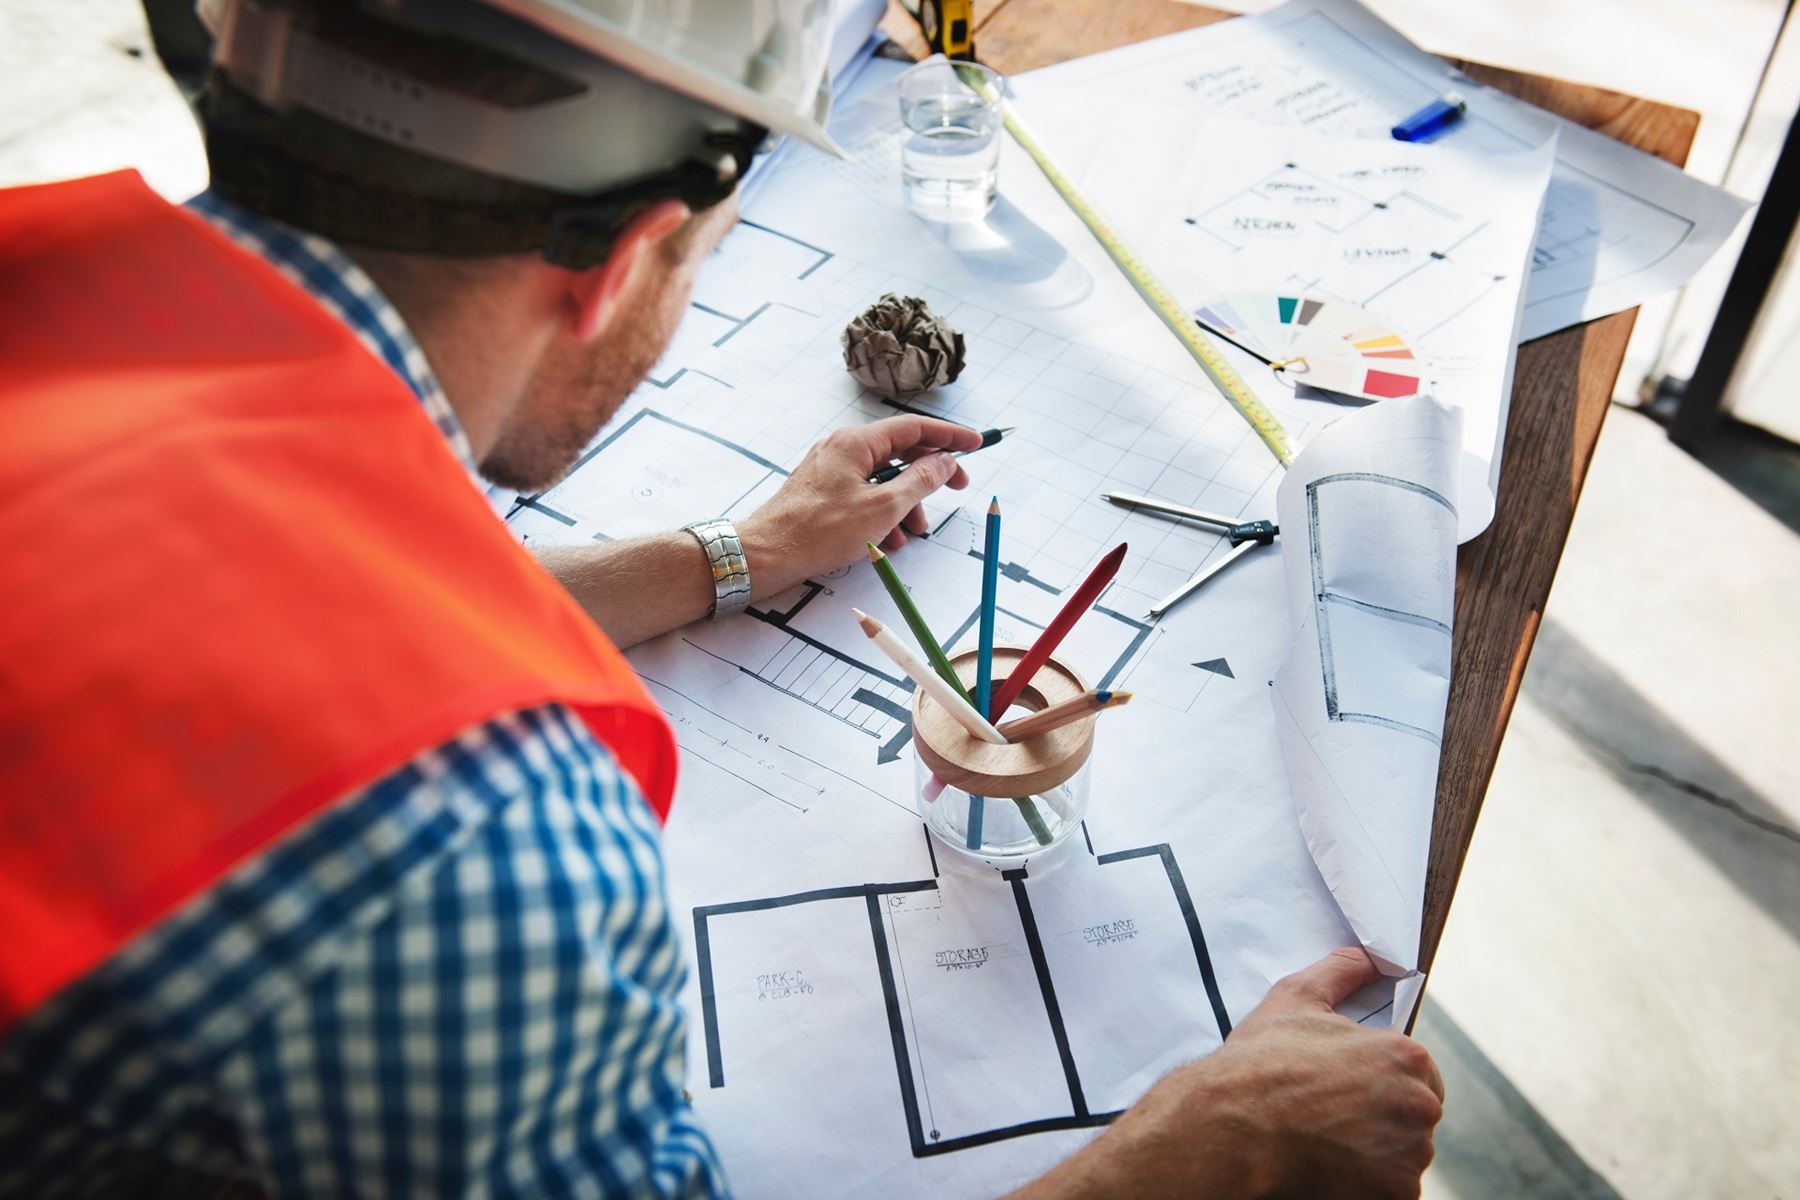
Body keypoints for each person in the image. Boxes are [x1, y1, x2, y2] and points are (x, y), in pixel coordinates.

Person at [0, 1, 1443, 1195]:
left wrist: (736, 553)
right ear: (624, 259)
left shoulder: (48, 317)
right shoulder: (480, 835)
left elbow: (268, 588)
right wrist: (1199, 1154)